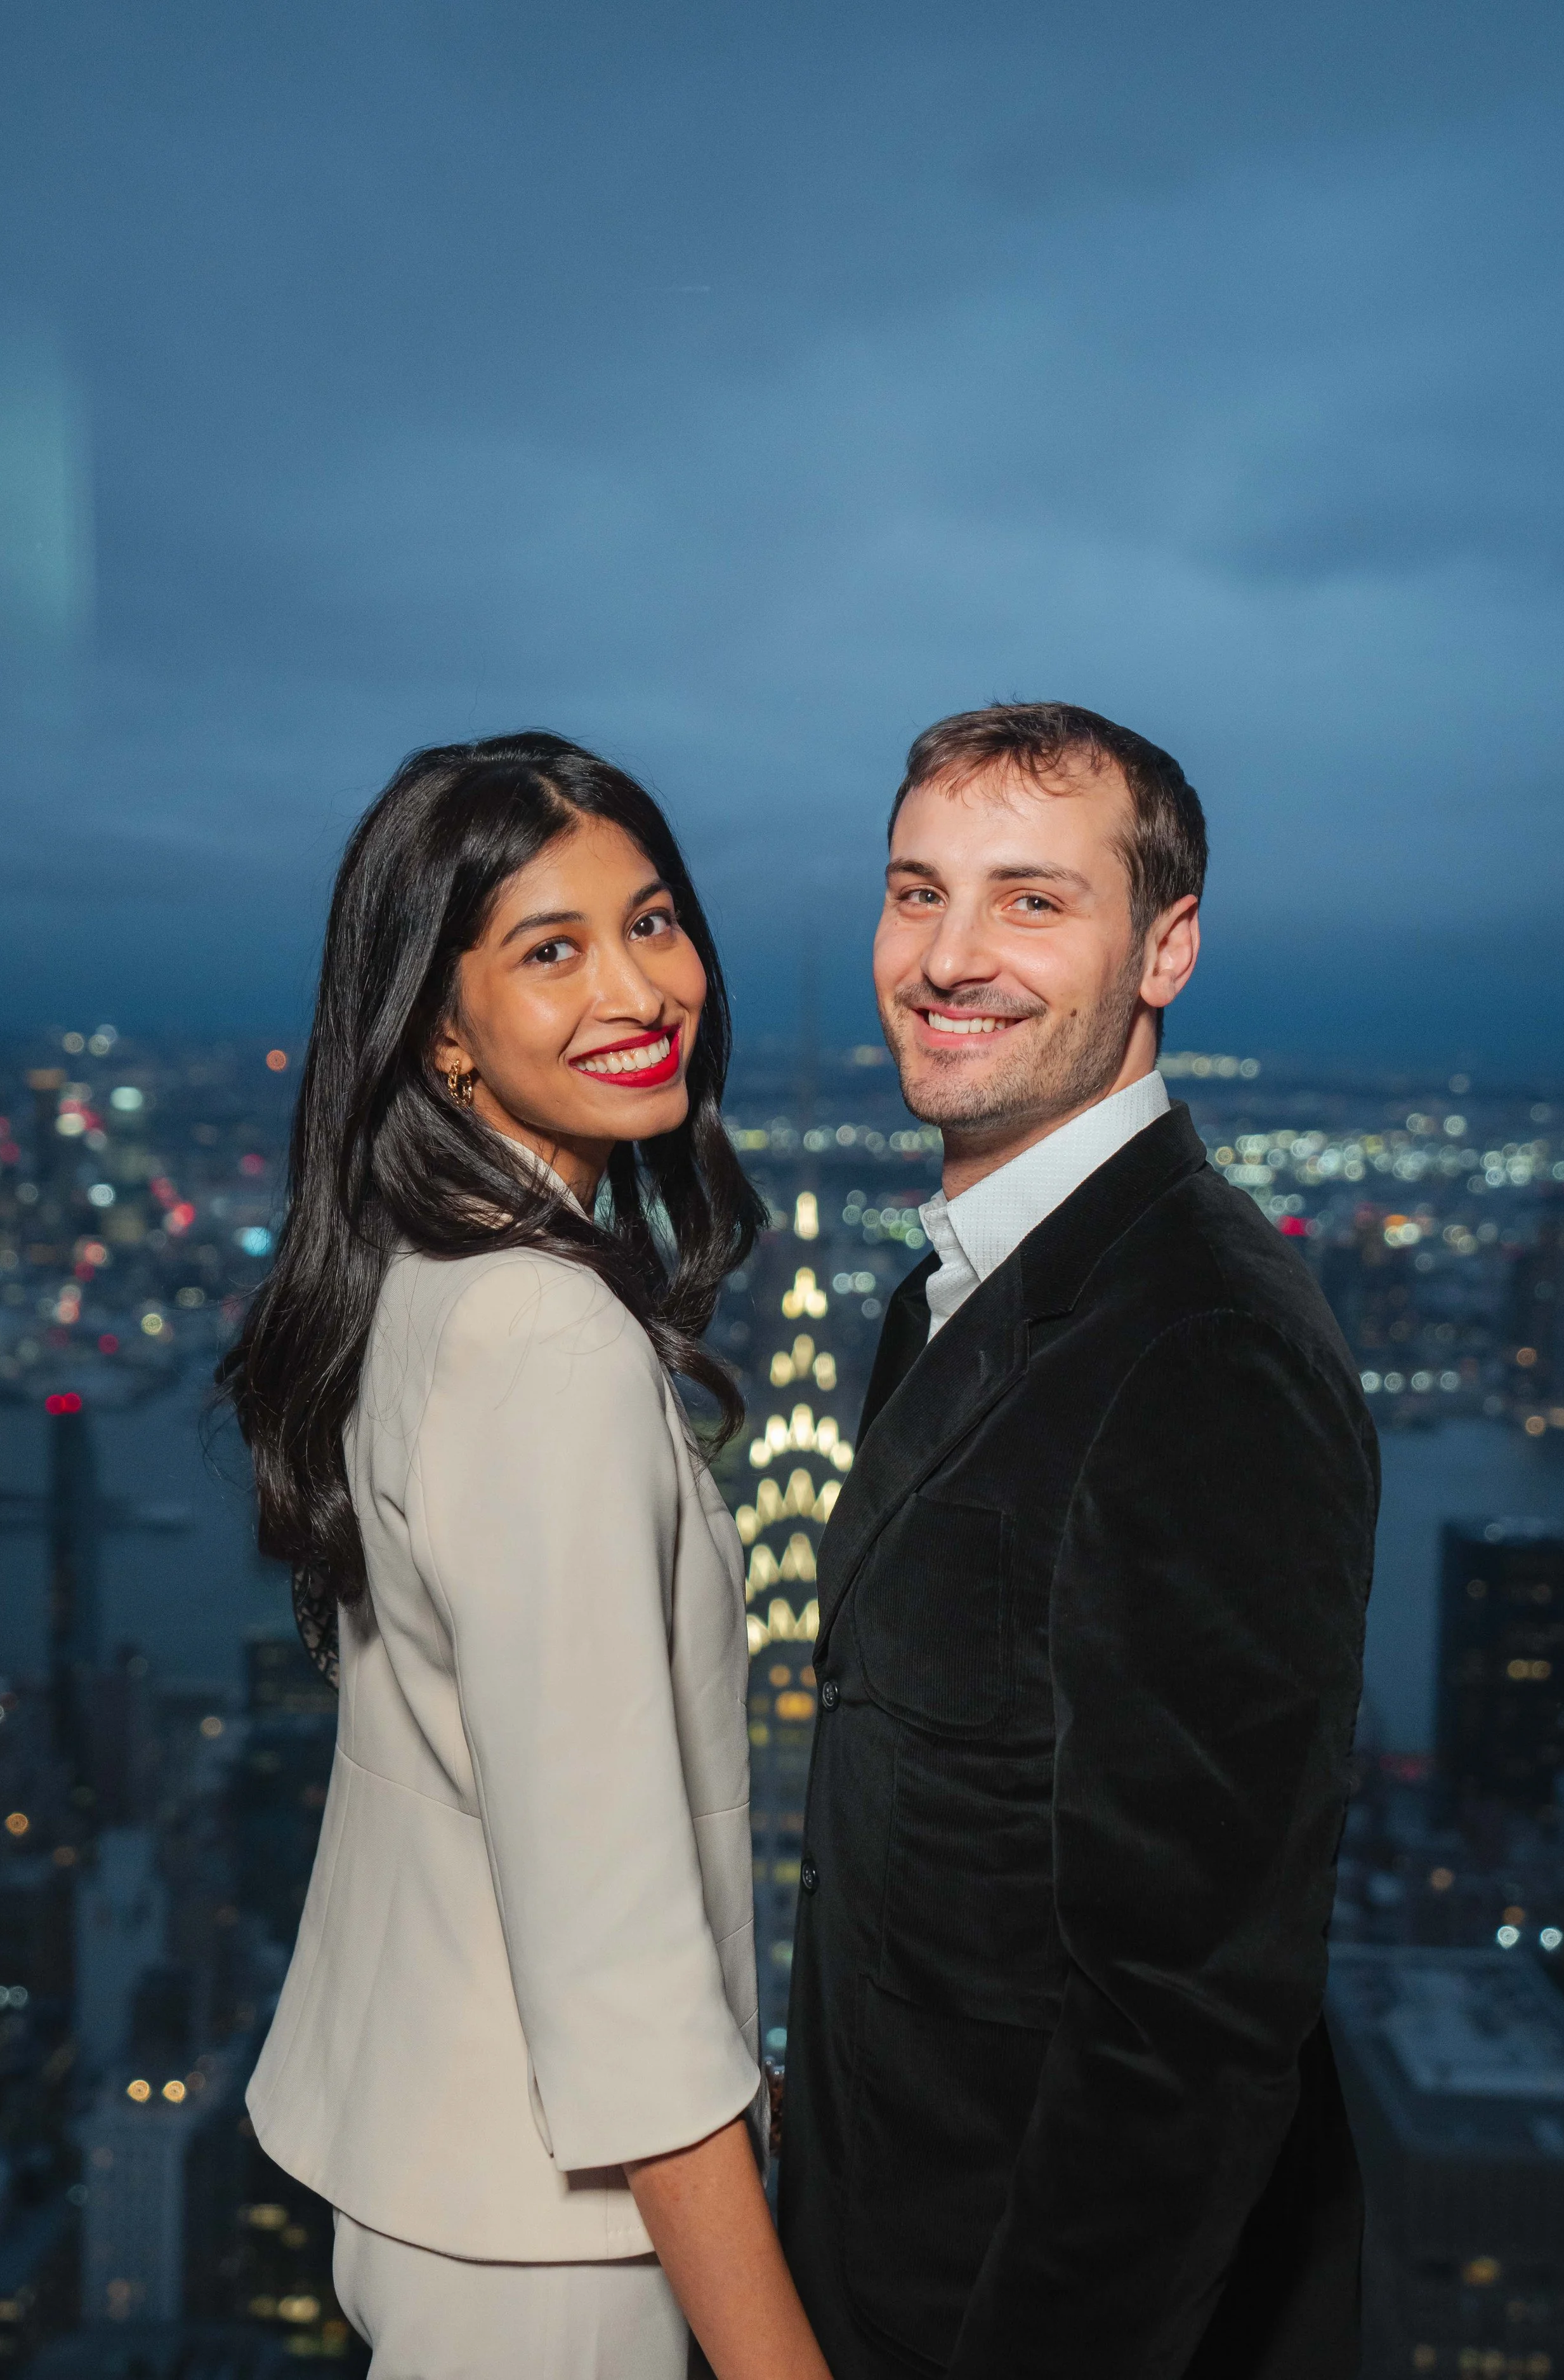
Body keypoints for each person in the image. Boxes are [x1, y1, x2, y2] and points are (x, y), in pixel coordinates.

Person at [221, 733, 831, 2380]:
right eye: (548, 950)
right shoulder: (545, 1338)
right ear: (439, 1025)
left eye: (652, 921)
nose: (639, 987)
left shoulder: (423, 1274)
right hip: (552, 2237)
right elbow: (618, 1970)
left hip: (438, 2173)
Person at [779, 704, 1376, 2379]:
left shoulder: (1202, 1342)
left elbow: (1180, 2033)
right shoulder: (955, 1293)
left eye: (1030, 900)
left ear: (1163, 946)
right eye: (916, 893)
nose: (946, 955)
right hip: (878, 2277)